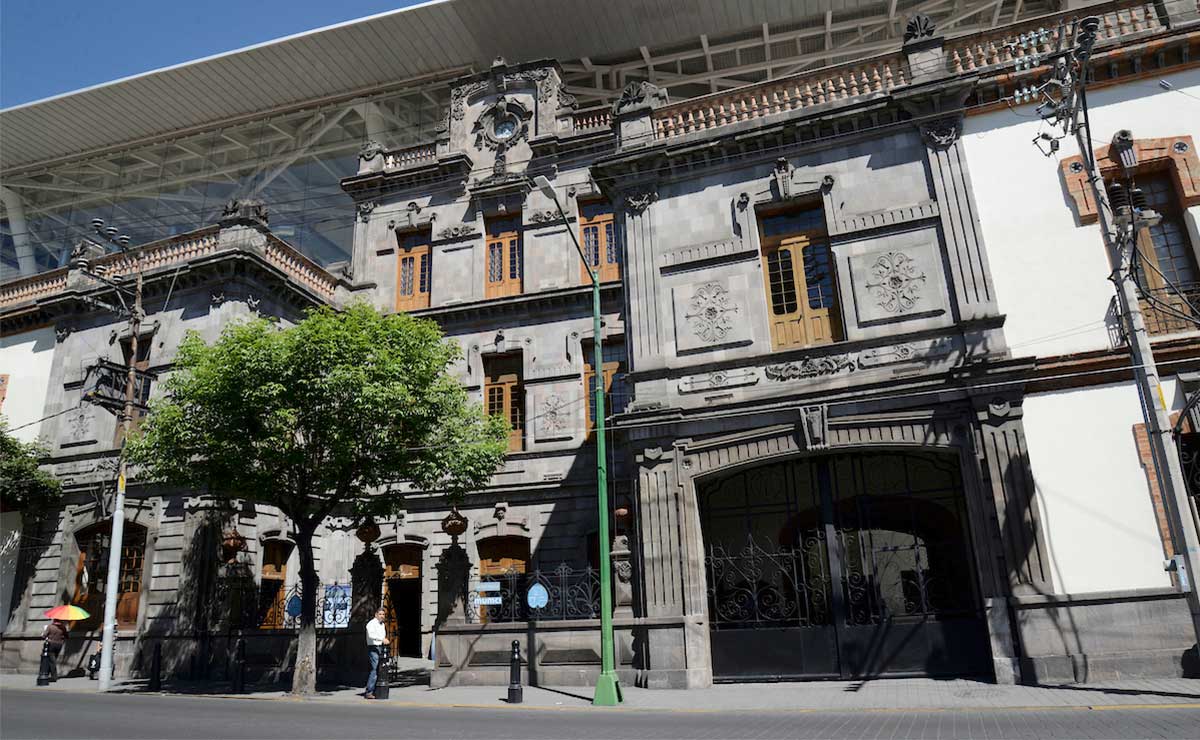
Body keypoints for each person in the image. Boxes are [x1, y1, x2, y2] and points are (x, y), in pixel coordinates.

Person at [364, 607, 387, 699]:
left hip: (380, 647)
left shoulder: (382, 625)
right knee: (375, 668)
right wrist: (382, 639)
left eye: (383, 614)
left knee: (380, 668)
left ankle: (377, 689)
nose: (382, 616)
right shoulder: (371, 624)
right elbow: (371, 635)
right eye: (380, 614)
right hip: (373, 647)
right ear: (376, 615)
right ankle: (369, 691)